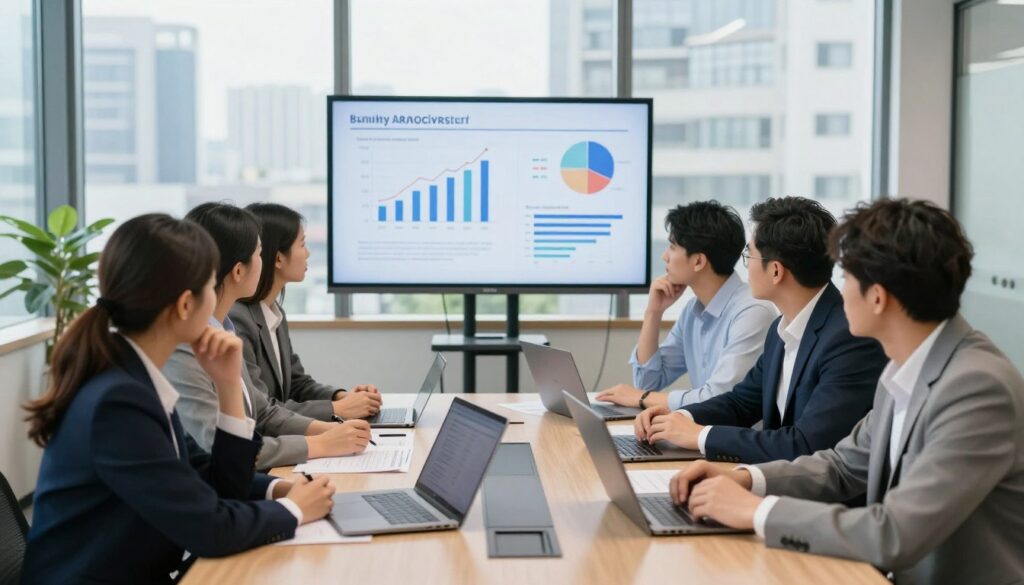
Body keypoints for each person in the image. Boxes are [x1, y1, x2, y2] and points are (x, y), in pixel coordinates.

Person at [669, 199, 1024, 584]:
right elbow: (842, 466)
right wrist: (747, 479)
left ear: (878, 297)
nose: (840, 290)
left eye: (848, 277)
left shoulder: (977, 388)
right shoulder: (904, 367)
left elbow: (895, 533)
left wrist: (756, 511)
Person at [21, 214, 336, 584]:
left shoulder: (135, 378)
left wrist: (276, 484)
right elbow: (209, 528)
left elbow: (210, 480)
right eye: (210, 286)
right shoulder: (118, 403)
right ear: (187, 305)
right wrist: (294, 510)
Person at [635, 197, 886, 463]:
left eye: (749, 255)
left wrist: (700, 436)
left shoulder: (849, 338)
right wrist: (680, 417)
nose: (746, 267)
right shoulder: (781, 329)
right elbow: (741, 402)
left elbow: (806, 444)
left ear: (775, 271)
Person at [167, 203, 371, 470]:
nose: (262, 263)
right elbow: (218, 447)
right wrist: (321, 442)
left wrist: (333, 430)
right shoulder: (187, 346)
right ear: (238, 271)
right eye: (259, 254)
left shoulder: (224, 330)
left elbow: (261, 411)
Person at [596, 200, 775, 411]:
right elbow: (647, 382)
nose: (665, 256)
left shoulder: (752, 312)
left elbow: (719, 397)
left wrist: (642, 397)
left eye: (672, 247)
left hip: (733, 431)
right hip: (701, 428)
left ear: (698, 261)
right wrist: (653, 312)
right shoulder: (693, 310)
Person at [231, 202, 382, 421]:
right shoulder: (238, 319)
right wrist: (337, 409)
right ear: (279, 258)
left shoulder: (274, 313)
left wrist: (343, 397)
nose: (308, 253)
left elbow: (297, 385)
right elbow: (260, 409)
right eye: (302, 244)